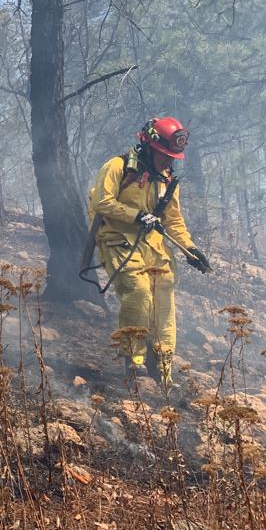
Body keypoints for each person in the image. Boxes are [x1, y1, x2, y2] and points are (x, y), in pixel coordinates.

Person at [87, 116, 211, 387]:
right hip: (117, 239)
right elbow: (101, 202)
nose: (168, 161)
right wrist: (135, 216)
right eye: (164, 155)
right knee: (139, 292)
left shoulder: (167, 180)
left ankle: (163, 369)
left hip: (153, 245)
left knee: (164, 301)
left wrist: (191, 249)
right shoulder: (118, 167)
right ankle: (134, 360)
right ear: (149, 147)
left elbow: (173, 220)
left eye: (172, 157)